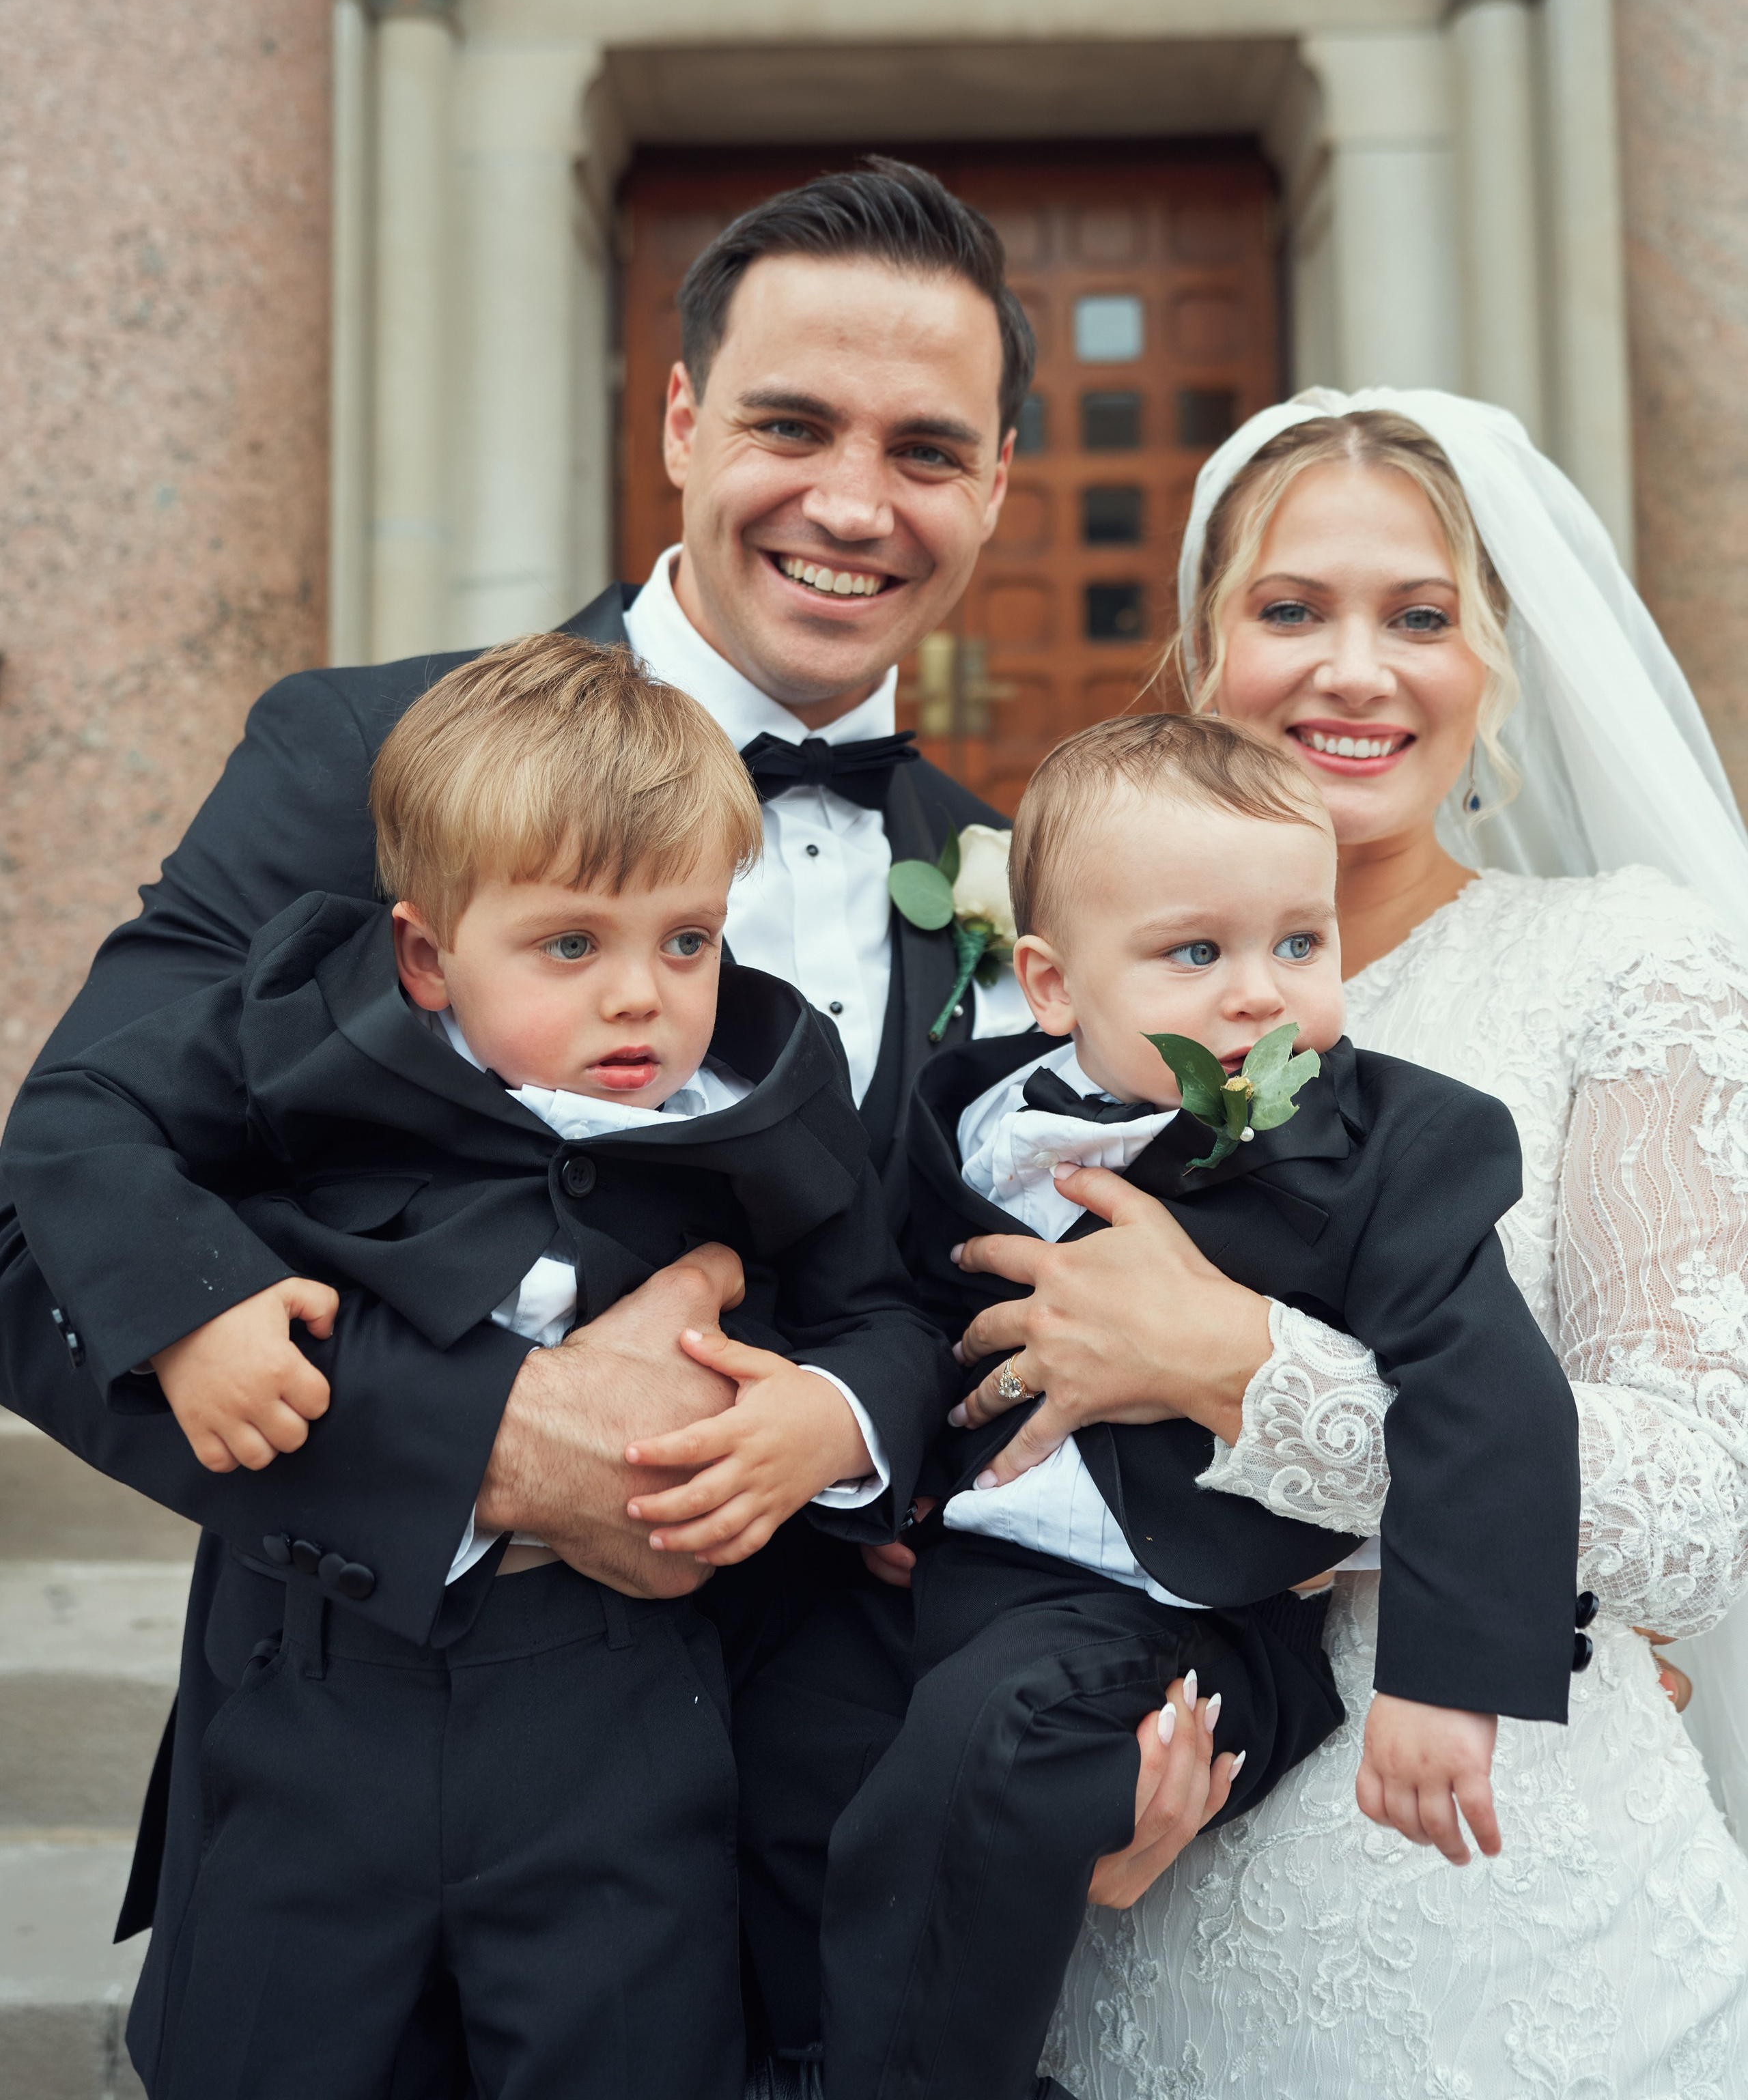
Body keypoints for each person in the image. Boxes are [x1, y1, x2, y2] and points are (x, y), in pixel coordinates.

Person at [5, 158, 1205, 2091]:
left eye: (924, 450)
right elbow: (41, 1230)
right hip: (366, 1848)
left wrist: (872, 1442)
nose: (848, 502)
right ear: (676, 422)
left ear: (996, 486)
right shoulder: (367, 758)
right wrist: (484, 1442)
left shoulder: (1012, 886)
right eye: (790, 424)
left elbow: (974, 1316)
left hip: (825, 1884)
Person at [928, 392, 1748, 2096]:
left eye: (1418, 616)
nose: (1352, 671)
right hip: (1125, 1904)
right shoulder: (1081, 997)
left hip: (1504, 1924)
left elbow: (1689, 1508)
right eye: (1289, 610)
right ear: (1202, 644)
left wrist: (1238, 1374)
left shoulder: (1623, 965)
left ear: (1493, 657)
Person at [6, 635, 953, 2099]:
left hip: (624, 1713)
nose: (641, 995)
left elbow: (879, 1314)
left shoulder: (771, 1088)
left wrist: (828, 1424)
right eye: (571, 947)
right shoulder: (305, 1032)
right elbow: (74, 1123)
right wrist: (198, 1305)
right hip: (317, 1691)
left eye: (686, 941)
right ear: (428, 953)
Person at [810, 709, 1580, 2100]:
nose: (1256, 994)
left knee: (1006, 1733)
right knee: (792, 1729)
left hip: (1186, 1613)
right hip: (957, 1579)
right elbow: (918, 1311)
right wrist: (896, 1475)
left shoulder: (1392, 1149)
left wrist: (1442, 1680)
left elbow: (1489, 1399)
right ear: (1048, 982)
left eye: (1299, 942)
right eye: (1194, 952)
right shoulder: (975, 1117)